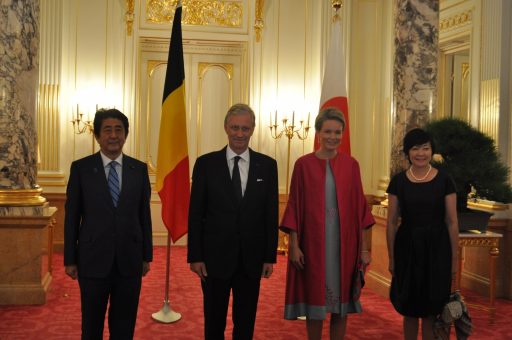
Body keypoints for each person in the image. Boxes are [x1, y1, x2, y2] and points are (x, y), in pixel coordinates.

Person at [280, 107, 375, 340]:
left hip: (344, 247)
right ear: (318, 133)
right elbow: (294, 205)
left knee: (340, 306)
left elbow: (361, 210)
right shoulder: (303, 165)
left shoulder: (352, 165)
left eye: (338, 132)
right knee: (315, 305)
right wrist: (294, 245)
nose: (333, 137)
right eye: (328, 131)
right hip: (313, 247)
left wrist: (364, 249)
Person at [187, 103, 279, 340]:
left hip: (252, 259)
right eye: (235, 127)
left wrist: (269, 256)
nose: (240, 134)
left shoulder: (267, 166)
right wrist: (195, 256)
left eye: (245, 128)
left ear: (253, 129)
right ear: (226, 127)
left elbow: (270, 214)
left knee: (245, 321)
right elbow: (196, 213)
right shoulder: (206, 164)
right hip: (214, 259)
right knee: (214, 321)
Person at [64, 109, 153, 340]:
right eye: (107, 130)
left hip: (130, 260)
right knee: (91, 324)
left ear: (126, 134)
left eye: (119, 130)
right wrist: (70, 259)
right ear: (97, 135)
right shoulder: (81, 168)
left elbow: (144, 215)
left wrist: (146, 255)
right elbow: (72, 216)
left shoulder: (139, 169)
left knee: (124, 325)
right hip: (92, 259)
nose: (113, 135)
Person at [386, 128, 459, 340]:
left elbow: (452, 222)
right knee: (408, 309)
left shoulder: (445, 180)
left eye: (425, 148)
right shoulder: (398, 181)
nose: (421, 153)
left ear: (432, 151)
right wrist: (392, 258)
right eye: (415, 148)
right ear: (407, 152)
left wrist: (454, 260)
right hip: (407, 249)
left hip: (437, 249)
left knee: (431, 310)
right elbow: (391, 222)